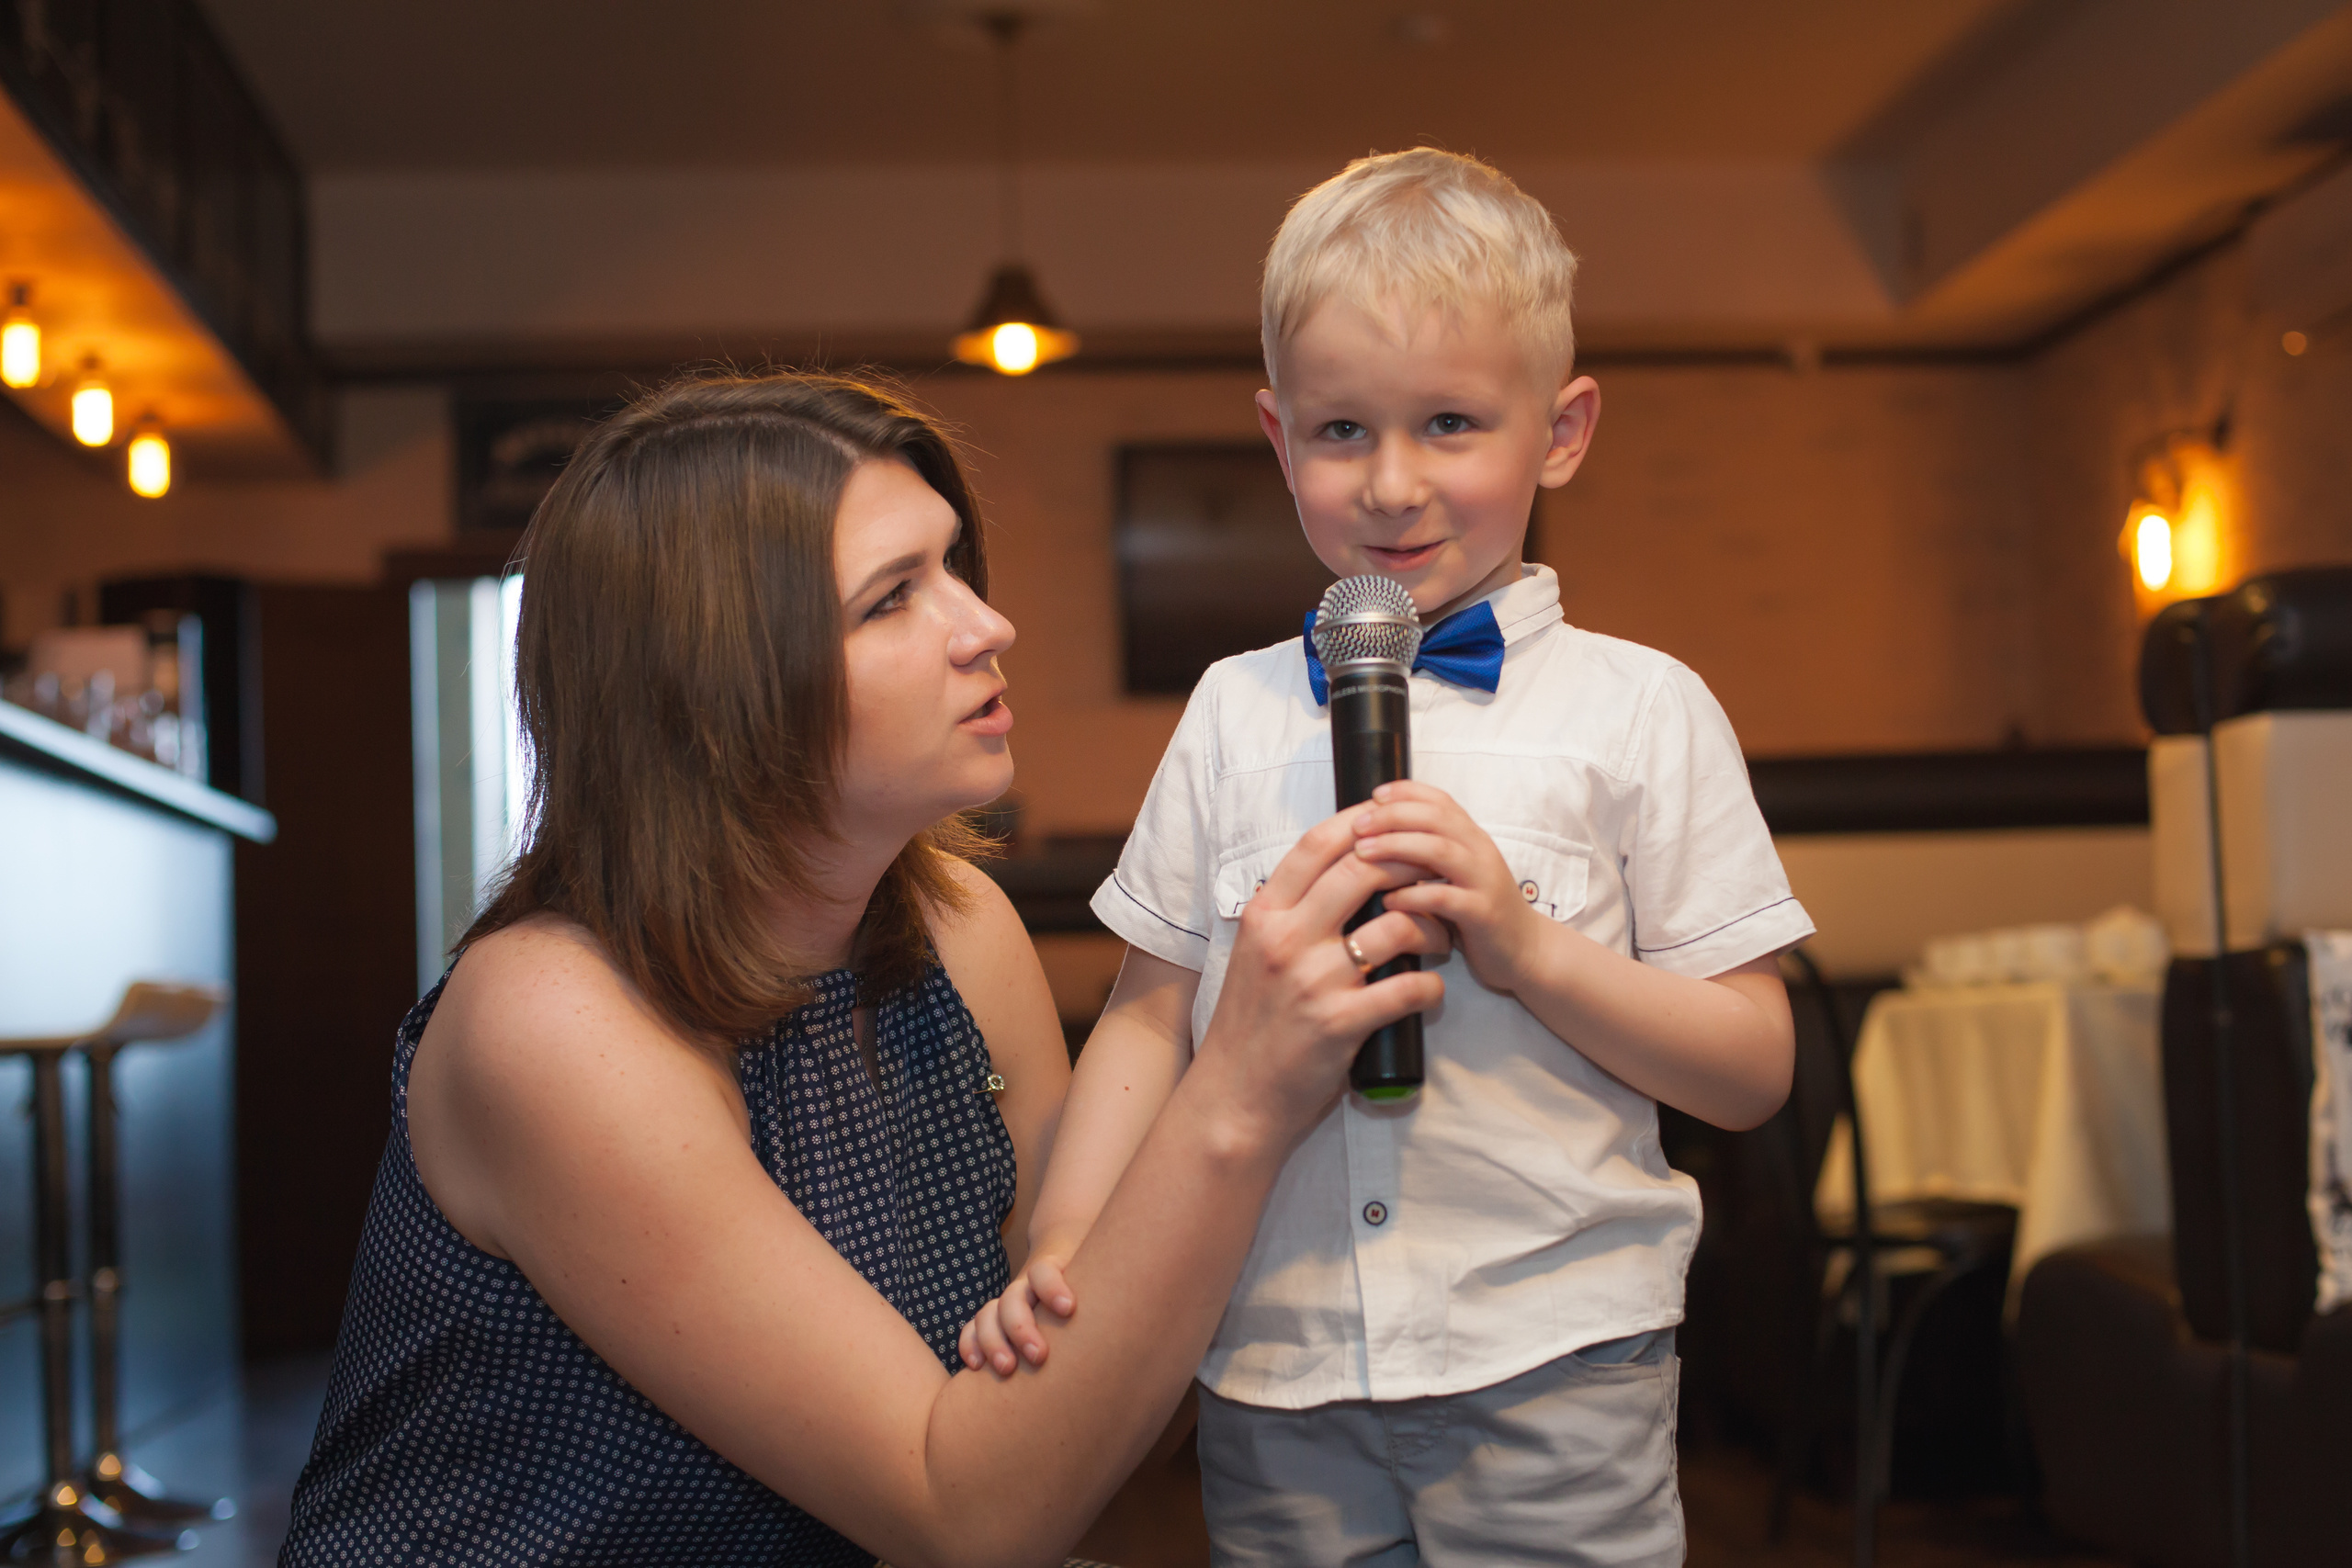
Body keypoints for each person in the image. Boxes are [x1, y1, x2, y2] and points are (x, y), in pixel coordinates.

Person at [278, 371, 1447, 1568]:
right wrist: (1238, 1094)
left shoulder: (960, 929)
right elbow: (969, 1513)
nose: (986, 624)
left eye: (952, 565)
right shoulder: (555, 1023)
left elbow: (1089, 1430)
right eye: (892, 599)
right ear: (717, 687)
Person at [960, 150, 1815, 1565]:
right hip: (1273, 1365)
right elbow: (1149, 1015)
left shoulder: (1642, 709)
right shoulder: (1233, 714)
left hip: (1558, 1356)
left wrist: (1530, 951)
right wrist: (1065, 1243)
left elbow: (1751, 1060)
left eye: (1452, 424)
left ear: (1563, 429)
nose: (1393, 484)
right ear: (1278, 435)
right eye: (1343, 430)